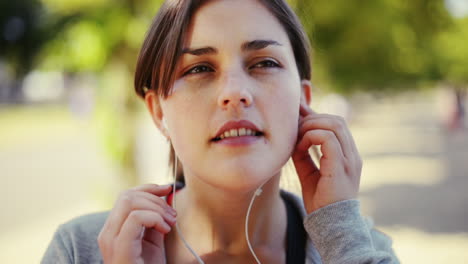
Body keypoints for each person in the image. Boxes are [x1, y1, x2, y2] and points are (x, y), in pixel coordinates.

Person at [42, 0, 399, 263]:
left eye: (264, 63)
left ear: (303, 101)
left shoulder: (358, 250)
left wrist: (339, 233)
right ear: (157, 111)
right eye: (199, 69)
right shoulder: (79, 250)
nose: (233, 93)